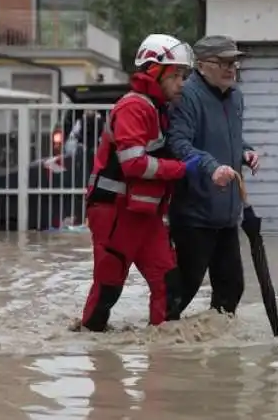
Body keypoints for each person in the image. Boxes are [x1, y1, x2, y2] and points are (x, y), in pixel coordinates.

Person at [78, 33, 212, 332]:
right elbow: (133, 163)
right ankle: (96, 359)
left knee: (169, 286)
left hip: (144, 214)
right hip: (115, 211)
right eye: (177, 75)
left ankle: (163, 361)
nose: (182, 83)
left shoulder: (157, 107)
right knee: (108, 288)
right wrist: (179, 169)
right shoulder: (134, 108)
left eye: (183, 76)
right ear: (154, 71)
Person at [167, 35, 260, 316]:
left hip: (227, 214)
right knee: (184, 289)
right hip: (195, 214)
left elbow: (228, 139)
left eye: (234, 62)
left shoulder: (235, 96)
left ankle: (217, 353)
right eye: (223, 62)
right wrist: (211, 167)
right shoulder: (187, 96)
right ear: (202, 65)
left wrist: (246, 152)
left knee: (232, 288)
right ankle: (160, 350)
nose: (231, 68)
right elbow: (178, 144)